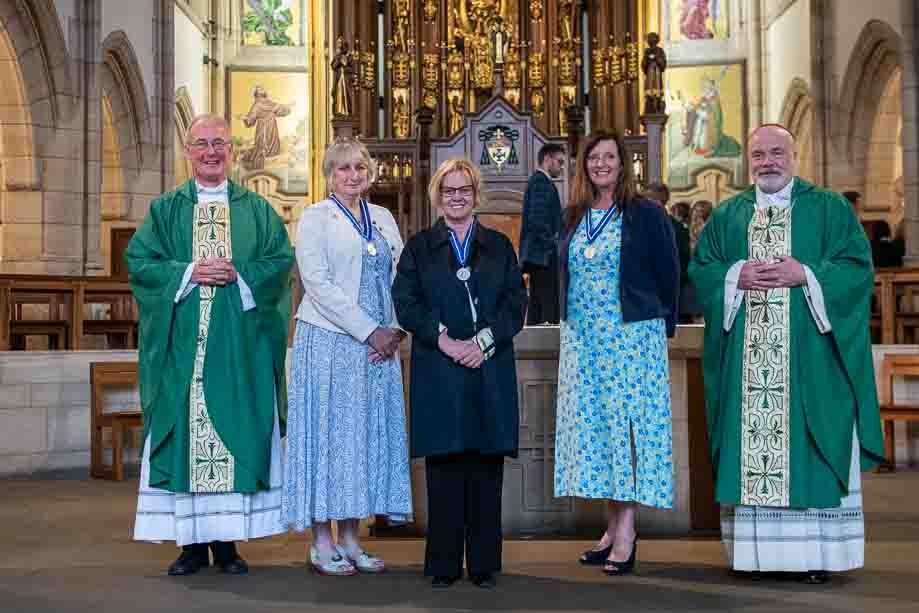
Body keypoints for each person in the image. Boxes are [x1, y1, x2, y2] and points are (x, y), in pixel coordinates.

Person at [688, 124, 885, 584]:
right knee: (754, 452)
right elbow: (703, 270)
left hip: (811, 362)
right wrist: (736, 275)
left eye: (777, 153)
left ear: (794, 156)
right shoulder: (730, 215)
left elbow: (858, 268)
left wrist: (808, 274)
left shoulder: (829, 209)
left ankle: (816, 556)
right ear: (749, 161)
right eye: (759, 155)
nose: (767, 162)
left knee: (810, 444)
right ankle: (758, 557)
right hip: (749, 368)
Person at [128, 113, 294, 576]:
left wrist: (240, 274)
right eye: (201, 143)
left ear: (231, 150)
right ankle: (190, 547)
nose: (210, 152)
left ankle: (226, 546)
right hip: (184, 351)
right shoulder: (167, 210)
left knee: (232, 436)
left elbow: (280, 262)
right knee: (187, 439)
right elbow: (140, 262)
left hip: (237, 350)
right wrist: (188, 272)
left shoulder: (256, 210)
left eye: (219, 143)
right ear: (188, 150)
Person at [393, 158, 527, 589]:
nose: (456, 196)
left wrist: (484, 342)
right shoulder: (419, 248)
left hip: (487, 367)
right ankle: (444, 565)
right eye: (448, 190)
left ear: (476, 195)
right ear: (437, 196)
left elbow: (515, 304)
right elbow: (406, 301)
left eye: (464, 190)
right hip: (441, 368)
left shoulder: (500, 246)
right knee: (445, 468)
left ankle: (485, 564)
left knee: (485, 468)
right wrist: (445, 340)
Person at [283, 137, 412, 576]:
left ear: (370, 172)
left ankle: (353, 539)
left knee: (361, 442)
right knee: (328, 438)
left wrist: (394, 330)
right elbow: (316, 284)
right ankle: (322, 541)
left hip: (378, 348)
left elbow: (402, 277)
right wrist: (368, 330)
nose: (352, 175)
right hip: (329, 341)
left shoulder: (383, 217)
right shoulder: (316, 218)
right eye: (343, 168)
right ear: (329, 175)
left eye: (359, 167)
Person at [554, 131, 679, 576]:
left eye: (610, 157)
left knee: (626, 433)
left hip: (630, 338)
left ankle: (626, 532)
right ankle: (612, 528)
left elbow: (669, 272)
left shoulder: (645, 213)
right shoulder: (575, 215)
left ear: (623, 164)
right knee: (599, 433)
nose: (602, 164)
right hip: (585, 341)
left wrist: (662, 326)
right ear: (584, 165)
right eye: (594, 157)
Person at [519, 143, 566, 324]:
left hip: (540, 255)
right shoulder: (540, 182)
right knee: (546, 301)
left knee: (539, 301)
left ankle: (537, 340)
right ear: (547, 159)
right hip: (543, 255)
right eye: (559, 162)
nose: (561, 167)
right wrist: (553, 244)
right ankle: (545, 342)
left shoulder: (539, 181)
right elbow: (537, 219)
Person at [239, 85, 293, 170]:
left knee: (268, 146)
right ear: (257, 94)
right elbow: (251, 120)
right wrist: (245, 118)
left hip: (270, 128)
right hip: (264, 128)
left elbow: (280, 109)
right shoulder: (258, 104)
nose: (261, 92)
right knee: (263, 147)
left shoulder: (264, 103)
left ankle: (266, 156)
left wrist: (287, 107)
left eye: (261, 90)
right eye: (259, 90)